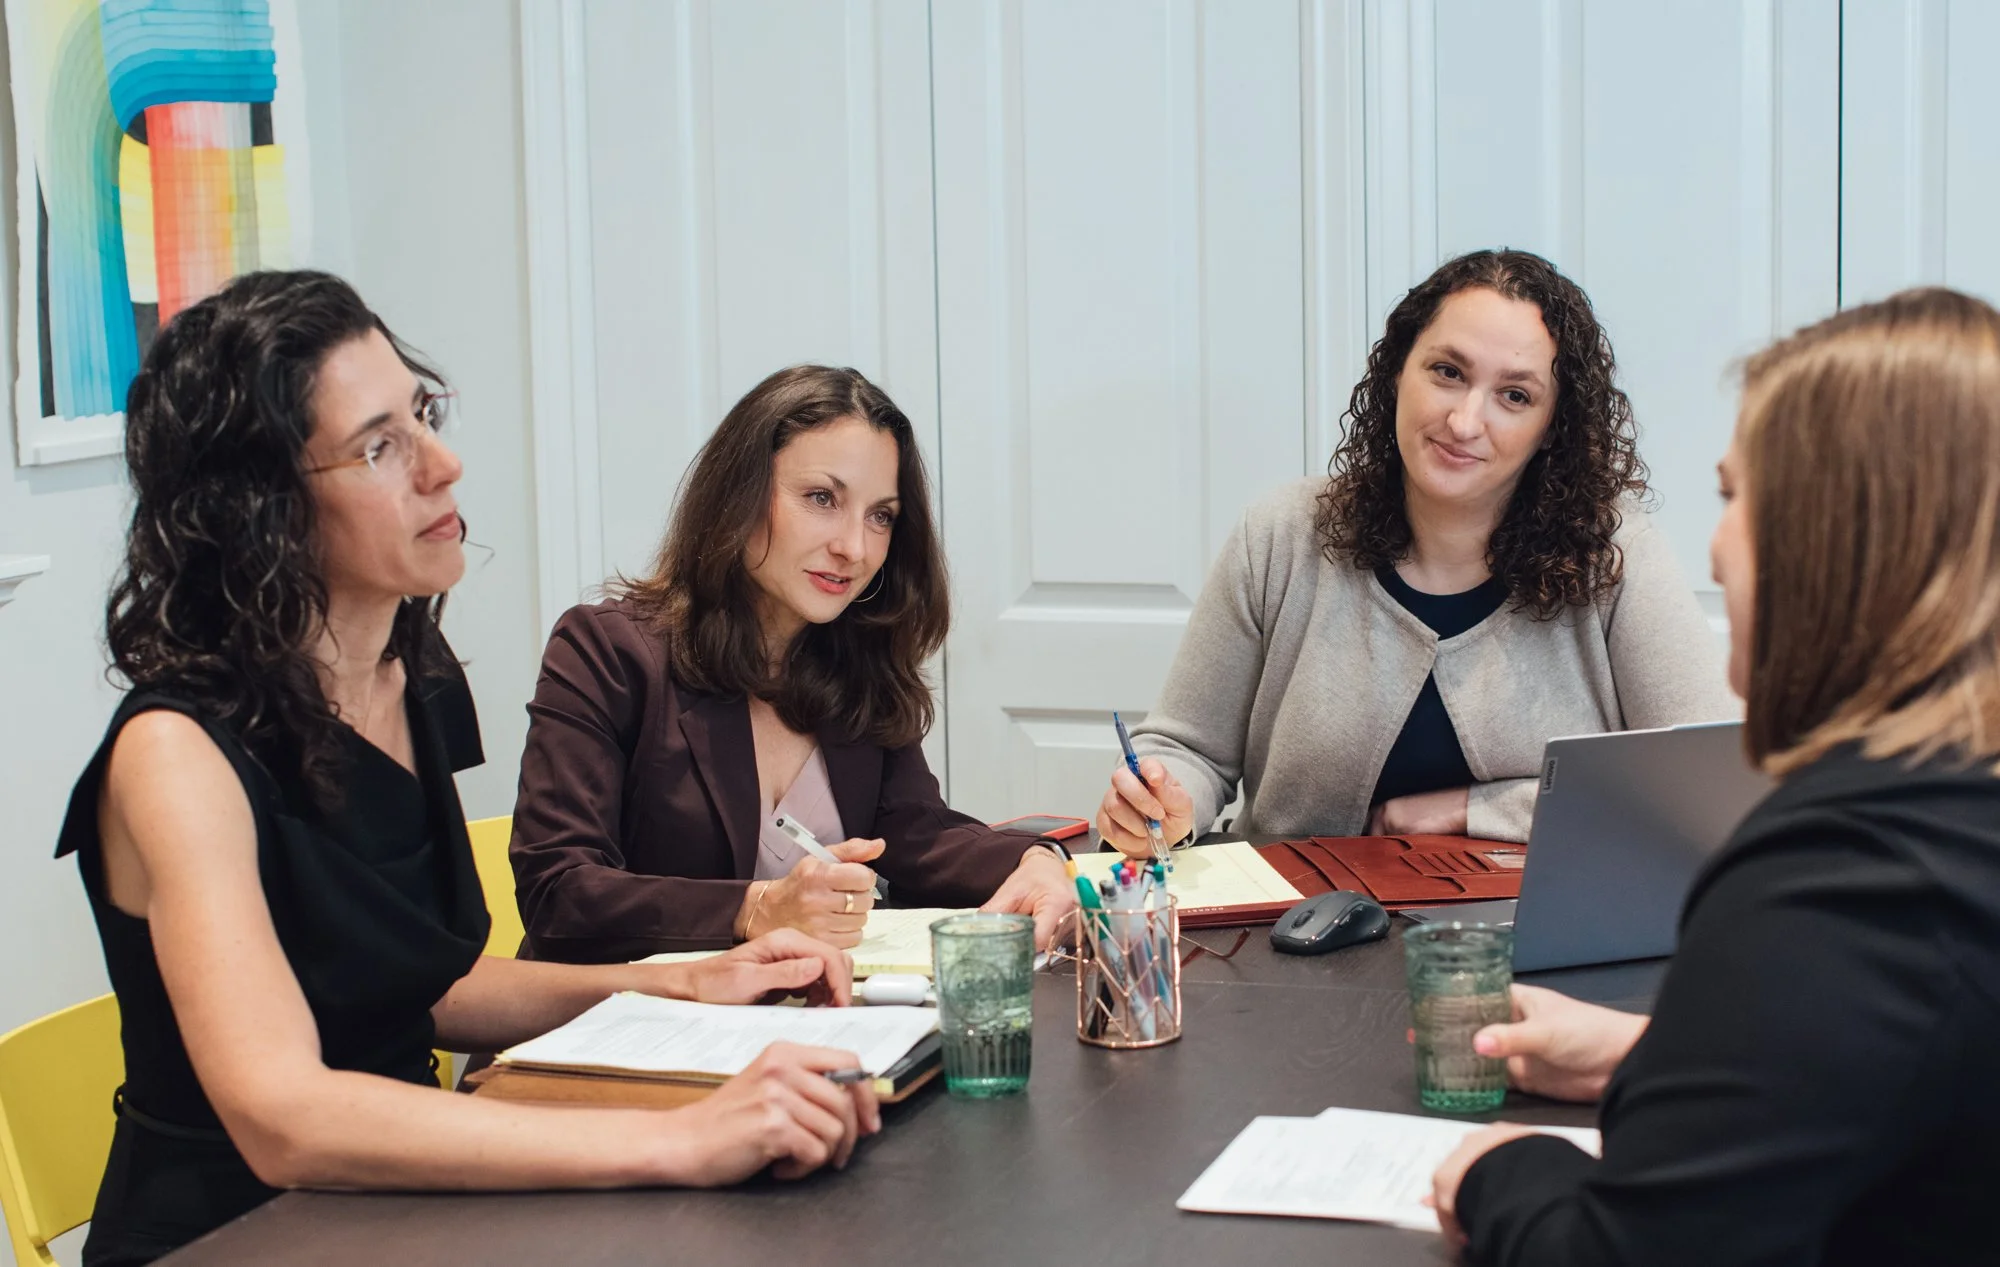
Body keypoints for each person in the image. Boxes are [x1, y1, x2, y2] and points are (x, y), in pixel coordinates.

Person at [62, 272, 879, 1267]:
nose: (443, 464)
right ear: (259, 509)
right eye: (379, 446)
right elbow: (286, 1120)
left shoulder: (410, 681)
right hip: (239, 1230)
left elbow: (426, 985)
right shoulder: (173, 755)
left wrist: (683, 982)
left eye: (424, 414)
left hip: (397, 1200)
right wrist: (682, 1137)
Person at [1429, 287, 2000, 1265]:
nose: (1713, 542)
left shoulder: (1848, 881)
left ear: (1827, 538)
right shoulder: (1953, 820)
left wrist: (1500, 1169)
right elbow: (1913, 1089)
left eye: (1735, 497)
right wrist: (1649, 1061)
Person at [1096, 249, 1736, 854]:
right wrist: (1161, 801)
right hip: (1287, 935)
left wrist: (1469, 810)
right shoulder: (1280, 534)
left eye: (1514, 396)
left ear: (1551, 429)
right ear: (1398, 371)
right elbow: (1190, 751)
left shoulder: (1616, 556)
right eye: (1448, 372)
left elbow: (1706, 785)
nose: (1464, 422)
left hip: (1527, 940)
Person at [508, 365, 1077, 962]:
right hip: (606, 1030)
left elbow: (917, 834)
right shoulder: (607, 650)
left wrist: (1035, 860)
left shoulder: (858, 658)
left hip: (785, 1028)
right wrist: (754, 908)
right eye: (821, 499)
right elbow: (558, 888)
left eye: (880, 515)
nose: (854, 548)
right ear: (739, 494)